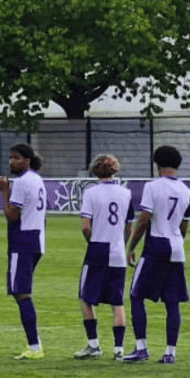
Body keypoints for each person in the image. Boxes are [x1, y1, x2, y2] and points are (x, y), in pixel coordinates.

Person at [126, 145, 190, 365]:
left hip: (156, 243)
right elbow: (184, 225)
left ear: (157, 165)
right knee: (172, 301)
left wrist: (132, 245)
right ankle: (170, 352)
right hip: (176, 246)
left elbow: (145, 219)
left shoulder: (152, 187)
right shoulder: (185, 189)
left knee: (136, 294)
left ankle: (141, 347)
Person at [74, 154, 133, 361]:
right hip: (117, 249)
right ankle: (119, 349)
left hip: (98, 248)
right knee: (117, 301)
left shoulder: (91, 193)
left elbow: (85, 226)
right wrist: (121, 242)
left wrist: (92, 241)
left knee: (85, 297)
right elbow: (128, 226)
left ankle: (93, 344)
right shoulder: (126, 193)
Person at [0, 142, 48, 359]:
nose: (12, 162)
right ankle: (34, 345)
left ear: (27, 160)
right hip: (36, 237)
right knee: (20, 291)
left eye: (17, 158)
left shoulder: (22, 182)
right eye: (10, 158)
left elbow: (11, 215)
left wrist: (4, 192)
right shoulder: (37, 179)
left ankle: (34, 346)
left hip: (23, 239)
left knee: (21, 291)